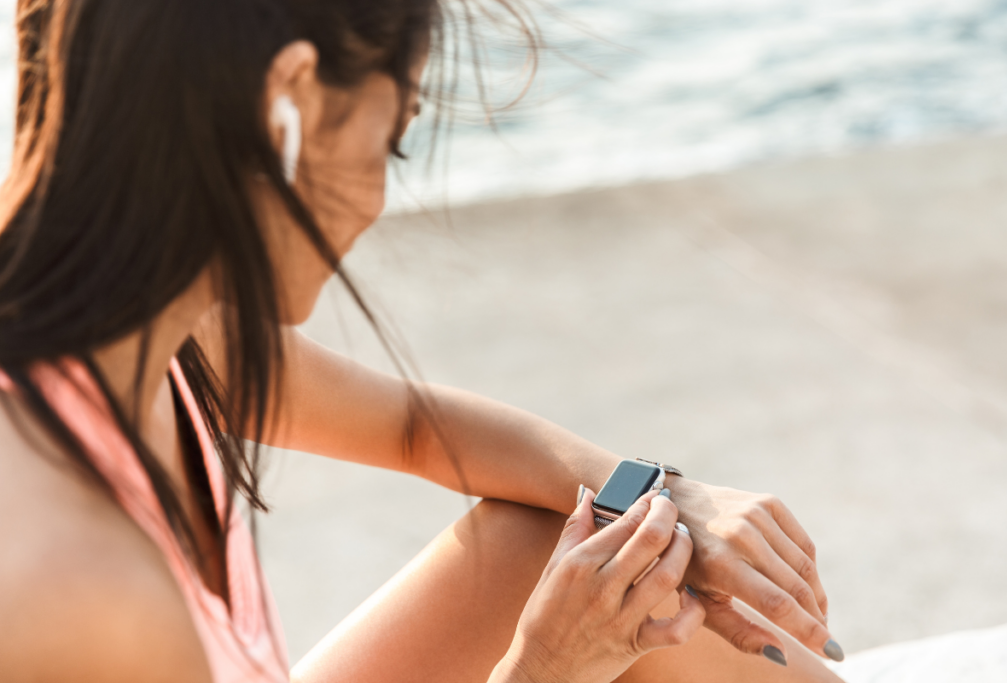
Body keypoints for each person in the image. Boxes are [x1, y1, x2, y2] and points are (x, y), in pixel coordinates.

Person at [0, 1, 845, 681]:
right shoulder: (82, 586)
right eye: (391, 139)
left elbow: (414, 427)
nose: (376, 202)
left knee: (581, 544)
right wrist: (548, 666)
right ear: (285, 103)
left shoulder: (165, 331)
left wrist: (662, 499)